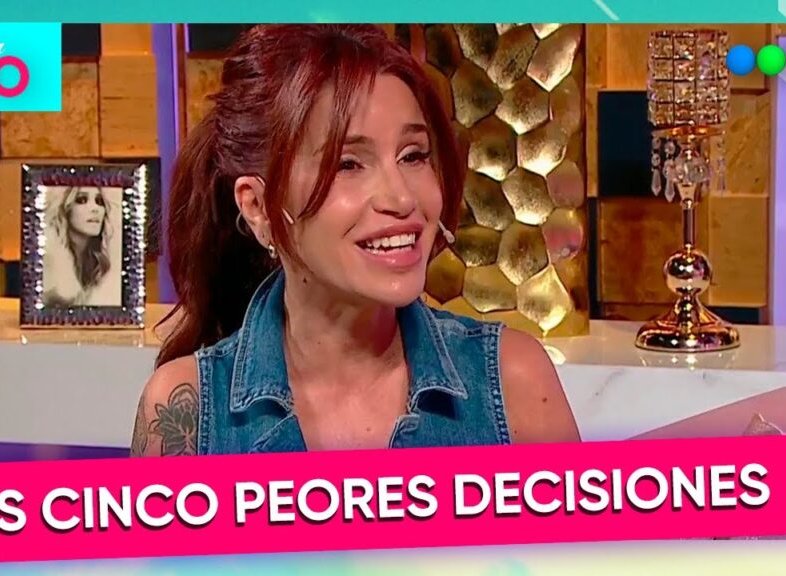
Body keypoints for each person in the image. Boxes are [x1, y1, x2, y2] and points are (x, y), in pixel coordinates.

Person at [131, 24, 579, 457]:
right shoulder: (187, 412)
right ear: (258, 207)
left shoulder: (513, 382)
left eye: (413, 156)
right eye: (347, 164)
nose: (402, 199)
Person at [42, 186, 120, 307]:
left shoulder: (97, 262)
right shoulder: (49, 258)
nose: (95, 209)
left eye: (99, 202)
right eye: (82, 200)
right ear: (65, 209)